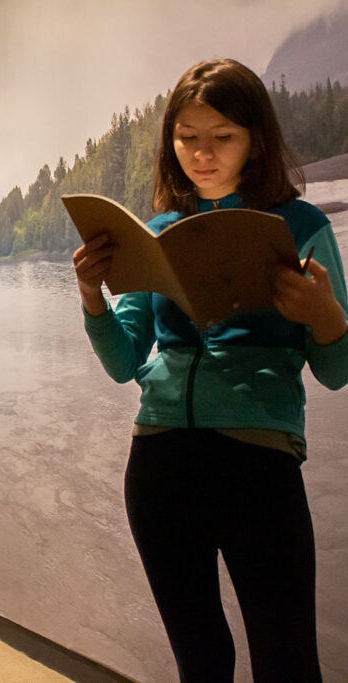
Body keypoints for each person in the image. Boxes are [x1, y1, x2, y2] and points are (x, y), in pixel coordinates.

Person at [73, 58, 348, 682]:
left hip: (259, 462)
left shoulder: (302, 226)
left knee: (287, 663)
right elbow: (123, 362)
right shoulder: (158, 232)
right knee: (201, 662)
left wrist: (326, 313)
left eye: (222, 136)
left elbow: (336, 372)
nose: (202, 153)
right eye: (186, 137)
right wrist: (94, 297)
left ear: (255, 138)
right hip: (159, 463)